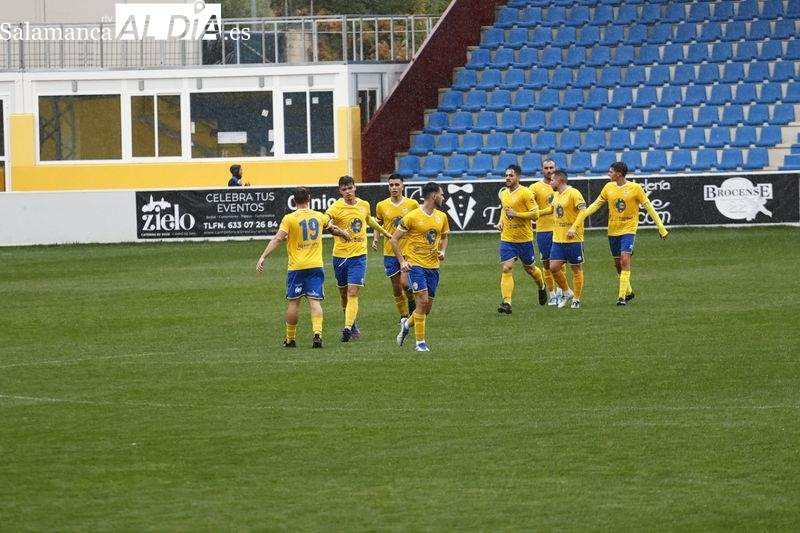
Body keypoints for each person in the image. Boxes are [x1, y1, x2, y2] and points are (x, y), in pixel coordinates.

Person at [255, 187, 350, 348]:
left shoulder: (289, 218)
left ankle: (290, 339)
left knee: (293, 303)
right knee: (315, 302)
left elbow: (278, 239)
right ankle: (317, 334)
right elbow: (332, 228)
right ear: (310, 199)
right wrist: (343, 234)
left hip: (296, 267)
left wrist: (263, 256)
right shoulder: (319, 216)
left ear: (293, 201)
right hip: (315, 265)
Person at [571, 161, 669, 306]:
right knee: (618, 264)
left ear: (619, 173)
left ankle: (621, 297)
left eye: (611, 172)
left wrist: (661, 228)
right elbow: (596, 204)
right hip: (613, 230)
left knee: (624, 259)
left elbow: (650, 208)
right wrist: (581, 216)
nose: (608, 174)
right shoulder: (608, 187)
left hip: (628, 229)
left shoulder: (635, 188)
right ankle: (628, 291)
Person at [325, 175, 392, 342]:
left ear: (355, 187)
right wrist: (339, 231)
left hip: (359, 256)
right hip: (340, 256)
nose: (348, 192)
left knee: (353, 292)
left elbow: (368, 219)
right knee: (343, 294)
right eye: (344, 189)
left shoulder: (364, 205)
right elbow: (325, 222)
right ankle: (352, 323)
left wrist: (384, 233)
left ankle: (347, 328)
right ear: (340, 191)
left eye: (350, 188)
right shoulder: (335, 207)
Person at [392, 181, 449, 352]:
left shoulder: (442, 217)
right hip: (415, 265)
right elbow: (394, 239)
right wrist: (402, 261)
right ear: (433, 196)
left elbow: (444, 236)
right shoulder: (412, 217)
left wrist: (443, 251)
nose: (443, 197)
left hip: (433, 266)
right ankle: (420, 344)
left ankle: (407, 326)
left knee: (425, 309)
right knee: (422, 301)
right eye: (441, 194)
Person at [495, 164, 547, 314]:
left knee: (530, 268)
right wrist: (501, 221)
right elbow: (504, 210)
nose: (507, 178)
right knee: (507, 268)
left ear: (518, 177)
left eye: (511, 175)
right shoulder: (504, 193)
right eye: (506, 175)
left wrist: (516, 214)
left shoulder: (525, 193)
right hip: (507, 238)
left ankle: (541, 286)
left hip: (524, 239)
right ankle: (507, 303)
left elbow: (535, 214)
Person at [372, 173, 420, 322]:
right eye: (391, 185)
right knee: (396, 286)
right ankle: (404, 316)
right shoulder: (381, 205)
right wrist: (375, 239)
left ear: (402, 186)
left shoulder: (412, 204)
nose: (394, 187)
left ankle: (411, 300)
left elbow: (418, 224)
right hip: (389, 251)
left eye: (397, 185)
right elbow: (378, 224)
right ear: (388, 187)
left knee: (405, 283)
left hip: (408, 251)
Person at [552, 169, 587, 309]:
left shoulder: (574, 193)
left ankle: (576, 298)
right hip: (558, 239)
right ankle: (567, 292)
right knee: (553, 267)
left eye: (553, 180)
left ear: (560, 181)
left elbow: (583, 210)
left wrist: (574, 227)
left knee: (576, 267)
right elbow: (551, 210)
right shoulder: (556, 195)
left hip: (573, 238)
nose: (550, 182)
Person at [529, 157, 562, 305]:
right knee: (547, 263)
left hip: (559, 228)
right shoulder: (534, 188)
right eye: (546, 168)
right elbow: (528, 204)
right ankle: (552, 293)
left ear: (555, 169)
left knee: (560, 263)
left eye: (551, 168)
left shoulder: (561, 186)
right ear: (542, 170)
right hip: (543, 230)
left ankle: (561, 290)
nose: (549, 170)